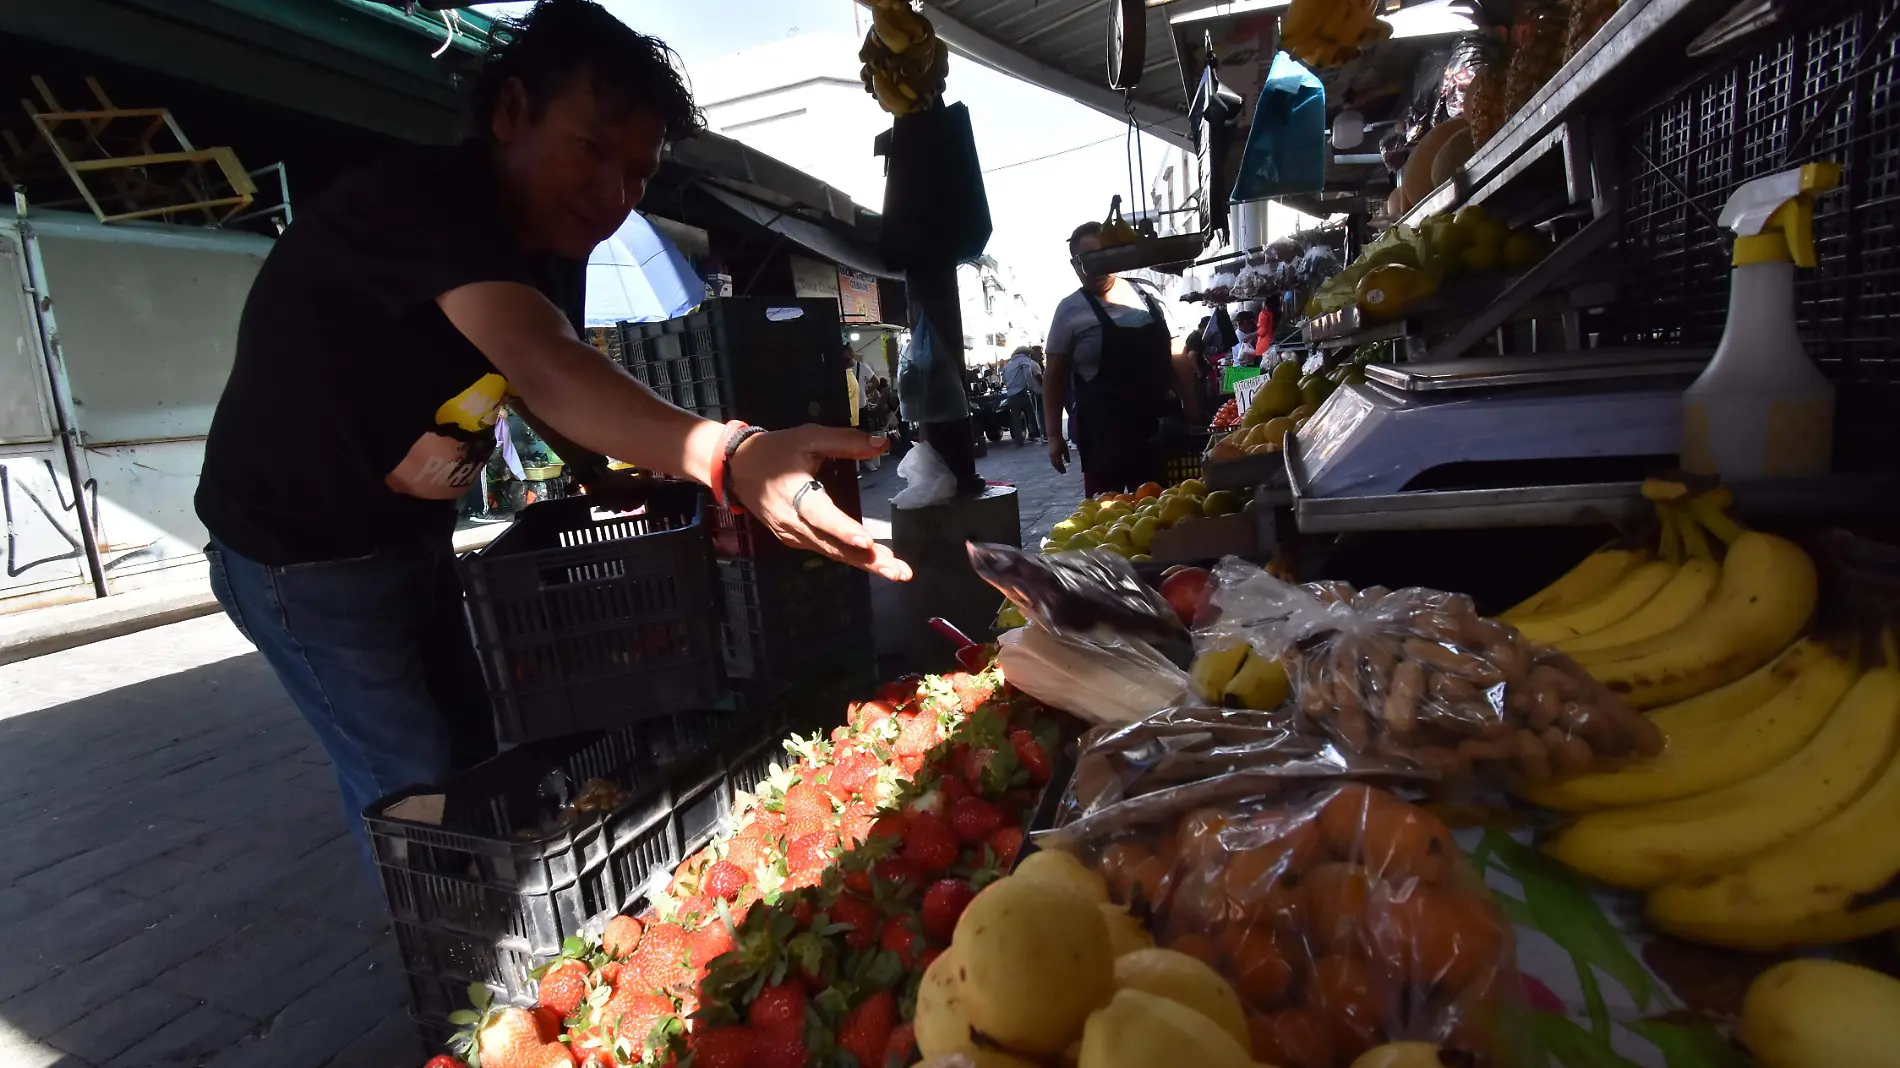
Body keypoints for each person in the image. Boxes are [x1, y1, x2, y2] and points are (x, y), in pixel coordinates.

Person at [194, 0, 910, 850]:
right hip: (294, 551)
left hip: (405, 533)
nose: (613, 195)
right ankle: (458, 969)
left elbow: (526, 370)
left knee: (471, 752)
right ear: (510, 113)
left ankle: (472, 926)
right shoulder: (423, 204)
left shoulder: (547, 248)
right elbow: (541, 361)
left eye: (639, 175)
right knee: (413, 781)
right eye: (592, 149)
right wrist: (732, 455)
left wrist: (594, 468)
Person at [1043, 222, 1202, 494]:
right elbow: (1054, 376)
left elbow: (1177, 357)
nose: (1093, 267)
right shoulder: (1069, 310)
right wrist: (1054, 436)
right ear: (1074, 264)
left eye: (1100, 256)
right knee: (1107, 517)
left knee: (1165, 509)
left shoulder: (1148, 293)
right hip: (1104, 438)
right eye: (1084, 260)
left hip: (1160, 430)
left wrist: (1192, 408)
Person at [1000, 344, 1043, 444]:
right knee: (1030, 413)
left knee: (1015, 416)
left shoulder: (1009, 364)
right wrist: (1031, 387)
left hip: (1011, 393)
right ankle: (1033, 434)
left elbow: (1004, 379)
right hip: (1022, 392)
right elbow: (1027, 374)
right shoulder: (1024, 360)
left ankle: (1018, 438)